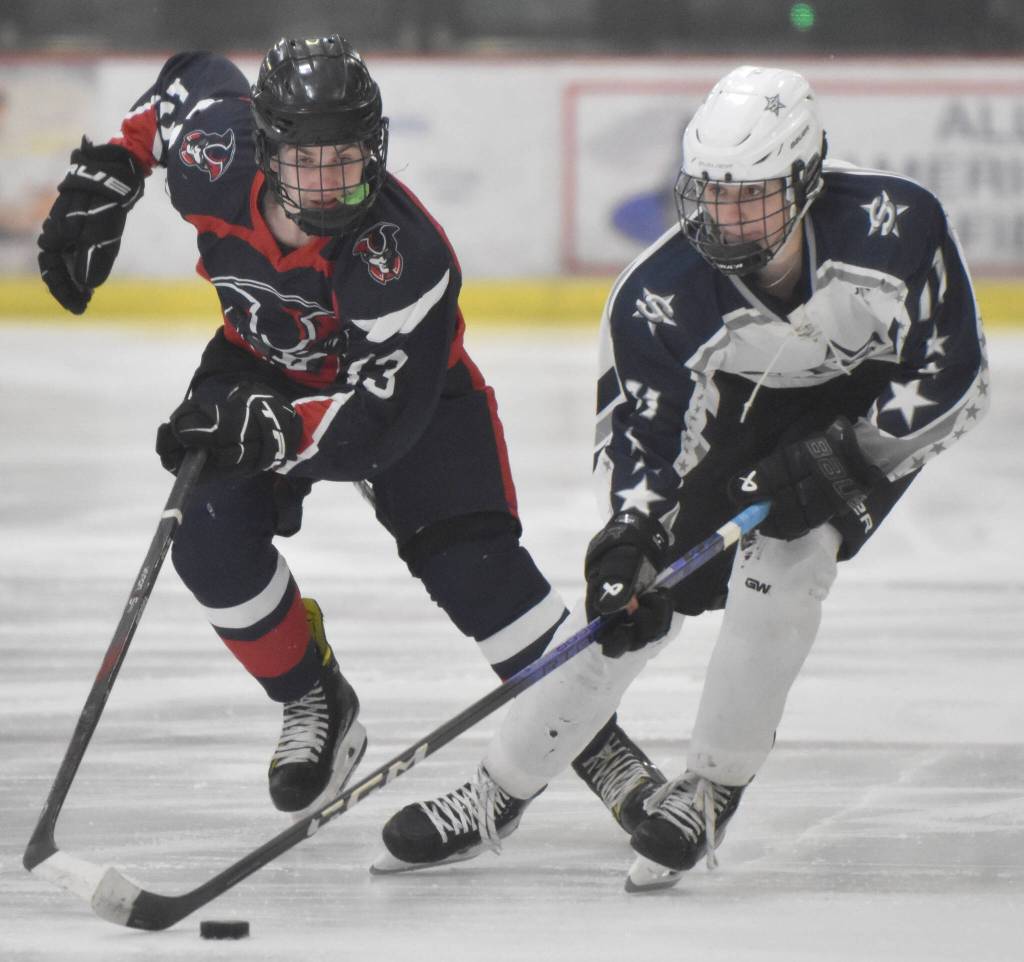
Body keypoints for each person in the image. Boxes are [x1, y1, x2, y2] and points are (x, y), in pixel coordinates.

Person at [373, 64, 990, 889]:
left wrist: (852, 453)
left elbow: (958, 376)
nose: (723, 218)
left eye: (751, 197)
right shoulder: (657, 298)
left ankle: (711, 786)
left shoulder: (898, 226)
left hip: (867, 414)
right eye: (710, 193)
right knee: (633, 603)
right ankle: (497, 790)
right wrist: (632, 536)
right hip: (747, 407)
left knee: (787, 563)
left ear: (806, 179)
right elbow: (643, 443)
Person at [35, 34, 665, 827]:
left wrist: (271, 427)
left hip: (413, 399)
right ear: (265, 149)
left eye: (349, 158)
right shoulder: (214, 151)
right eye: (308, 162)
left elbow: (374, 428)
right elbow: (185, 82)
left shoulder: (405, 255)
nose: (331, 183)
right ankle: (316, 699)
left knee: (479, 578)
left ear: (378, 147)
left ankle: (599, 746)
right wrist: (116, 166)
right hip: (261, 366)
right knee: (204, 538)